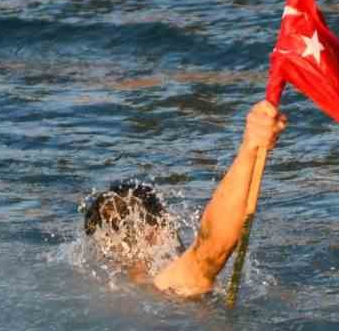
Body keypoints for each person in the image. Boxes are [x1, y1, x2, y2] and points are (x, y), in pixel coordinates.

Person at [82, 100, 286, 297]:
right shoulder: (167, 286)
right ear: (158, 228)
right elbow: (211, 251)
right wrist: (249, 146)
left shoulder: (119, 293)